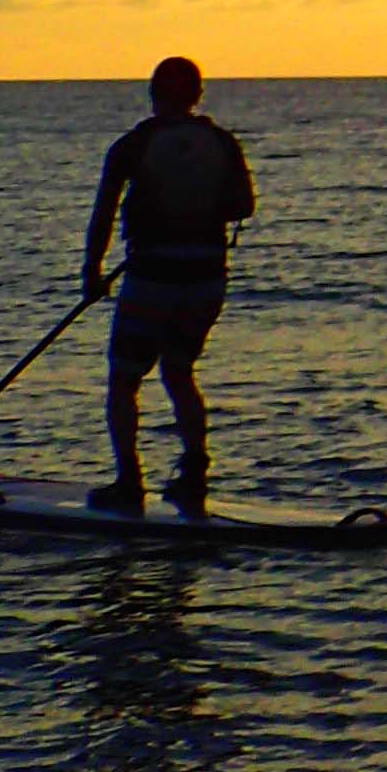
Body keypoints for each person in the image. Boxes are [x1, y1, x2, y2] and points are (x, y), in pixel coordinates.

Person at [80, 55, 254, 514]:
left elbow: (103, 214)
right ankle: (194, 474)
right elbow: (244, 206)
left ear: (153, 94)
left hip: (152, 277)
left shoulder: (132, 146)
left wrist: (92, 274)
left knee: (124, 378)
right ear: (198, 95)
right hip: (206, 279)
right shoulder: (222, 142)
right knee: (179, 371)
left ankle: (129, 483)